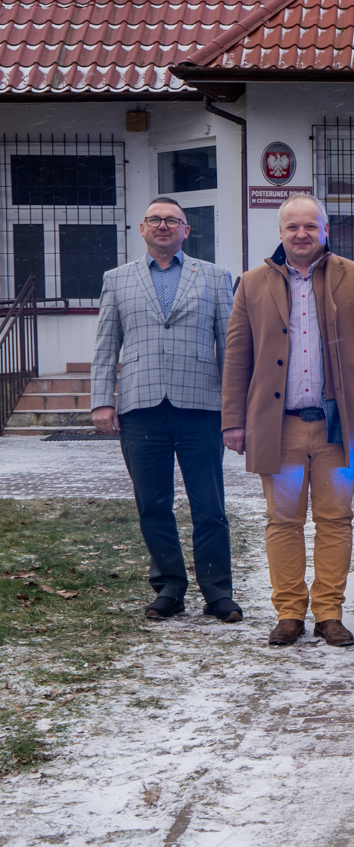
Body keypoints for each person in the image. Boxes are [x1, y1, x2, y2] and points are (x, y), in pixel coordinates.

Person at [222, 194, 354, 648]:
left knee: (336, 519)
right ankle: (289, 613)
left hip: (339, 424)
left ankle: (330, 613)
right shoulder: (251, 284)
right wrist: (233, 420)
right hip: (278, 426)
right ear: (280, 232)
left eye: (310, 226)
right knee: (282, 521)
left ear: (325, 230)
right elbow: (237, 357)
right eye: (292, 227)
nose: (301, 234)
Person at [91, 196, 239, 622]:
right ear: (142, 228)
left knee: (209, 506)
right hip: (140, 408)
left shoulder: (214, 277)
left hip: (201, 407)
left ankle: (217, 592)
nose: (163, 226)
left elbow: (231, 347)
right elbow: (106, 344)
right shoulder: (117, 279)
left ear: (186, 230)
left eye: (172, 220)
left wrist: (234, 409)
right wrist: (102, 400)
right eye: (154, 219)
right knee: (153, 506)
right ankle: (169, 588)